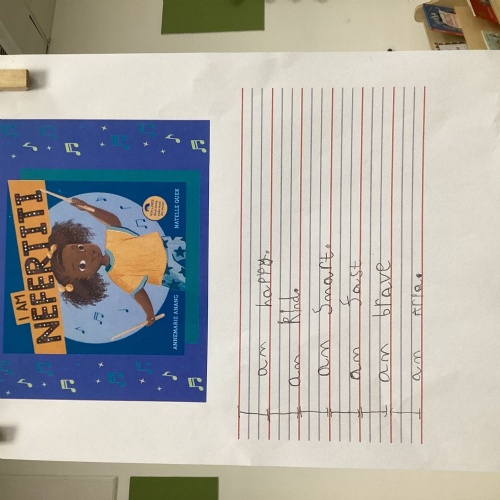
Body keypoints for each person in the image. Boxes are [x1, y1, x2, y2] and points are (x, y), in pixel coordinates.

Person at [47, 197, 185, 326]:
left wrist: (87, 207)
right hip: (169, 273)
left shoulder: (113, 241)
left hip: (170, 246)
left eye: (80, 248)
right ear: (88, 277)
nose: (87, 254)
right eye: (82, 265)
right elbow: (138, 292)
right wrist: (149, 313)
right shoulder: (117, 276)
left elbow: (113, 221)